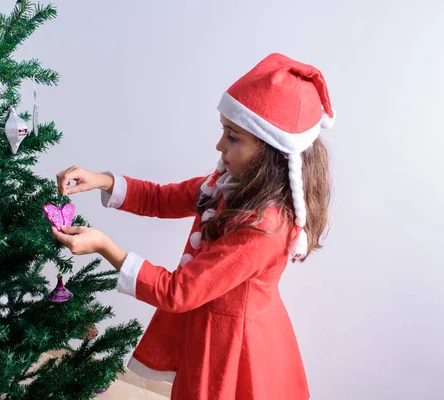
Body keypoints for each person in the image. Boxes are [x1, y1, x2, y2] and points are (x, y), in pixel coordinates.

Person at [51, 52, 335, 400]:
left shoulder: (264, 227)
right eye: (224, 133)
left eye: (233, 137)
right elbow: (163, 198)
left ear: (271, 152)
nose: (219, 146)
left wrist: (104, 247)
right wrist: (103, 181)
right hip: (212, 328)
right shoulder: (227, 185)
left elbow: (178, 292)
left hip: (235, 345)